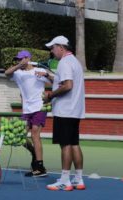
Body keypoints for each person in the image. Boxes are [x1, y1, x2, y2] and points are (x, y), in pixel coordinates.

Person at [43, 36, 86, 191]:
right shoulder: (74, 61)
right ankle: (78, 179)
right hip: (74, 110)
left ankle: (65, 180)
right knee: (74, 143)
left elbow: (68, 85)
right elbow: (63, 81)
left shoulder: (64, 62)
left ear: (61, 47)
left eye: (53, 48)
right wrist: (48, 76)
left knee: (65, 145)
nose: (52, 51)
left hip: (65, 110)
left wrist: (50, 95)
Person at [4, 50, 51, 177]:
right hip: (26, 109)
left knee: (35, 134)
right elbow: (6, 73)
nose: (19, 61)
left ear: (28, 58)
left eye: (21, 59)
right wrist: (19, 65)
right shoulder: (18, 73)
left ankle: (40, 167)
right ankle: (34, 153)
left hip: (39, 107)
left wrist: (46, 75)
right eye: (18, 59)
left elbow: (55, 81)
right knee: (20, 137)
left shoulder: (37, 72)